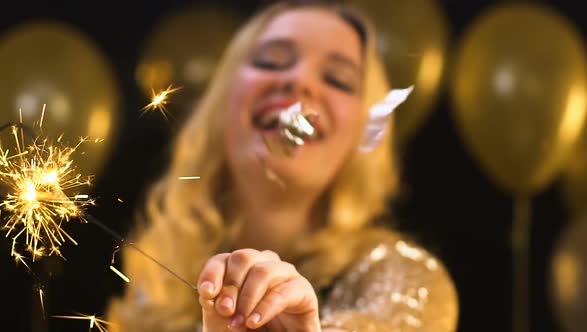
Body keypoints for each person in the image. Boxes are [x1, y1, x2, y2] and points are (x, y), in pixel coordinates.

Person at [106, 1, 459, 331]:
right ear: (222, 103)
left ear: (361, 138)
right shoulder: (150, 285)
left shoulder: (405, 276)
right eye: (271, 62)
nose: (300, 82)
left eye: (338, 79)